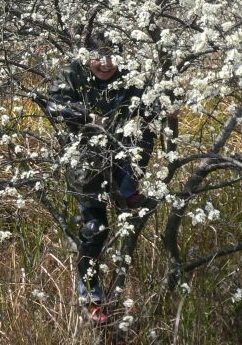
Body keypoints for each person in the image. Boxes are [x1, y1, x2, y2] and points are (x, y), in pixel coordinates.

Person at [46, 32, 157, 323]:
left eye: (112, 57)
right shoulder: (73, 74)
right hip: (87, 162)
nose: (105, 64)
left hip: (123, 159)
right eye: (99, 57)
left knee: (144, 130)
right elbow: (54, 105)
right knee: (94, 229)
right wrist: (87, 118)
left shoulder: (130, 78)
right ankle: (91, 296)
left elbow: (152, 106)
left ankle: (128, 190)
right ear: (86, 57)